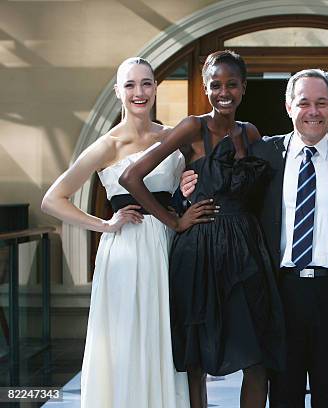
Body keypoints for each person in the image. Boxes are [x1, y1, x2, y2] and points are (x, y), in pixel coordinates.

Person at [181, 68, 328, 407]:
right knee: (283, 395)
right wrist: (189, 190)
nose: (312, 111)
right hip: (277, 293)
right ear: (288, 107)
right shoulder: (264, 153)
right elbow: (227, 188)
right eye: (303, 103)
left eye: (321, 103)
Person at [120, 50, 285, 408]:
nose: (223, 92)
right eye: (215, 85)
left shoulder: (251, 132)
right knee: (196, 361)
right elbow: (131, 177)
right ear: (206, 88)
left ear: (243, 88)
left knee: (256, 359)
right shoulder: (191, 127)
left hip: (245, 250)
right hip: (199, 250)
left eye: (232, 84)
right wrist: (175, 219)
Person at [41, 57, 195, 407]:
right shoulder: (107, 145)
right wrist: (105, 225)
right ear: (118, 92)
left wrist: (188, 188)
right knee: (126, 338)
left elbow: (186, 194)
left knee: (165, 337)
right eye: (130, 85)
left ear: (156, 88)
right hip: (126, 251)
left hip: (169, 247)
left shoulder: (173, 138)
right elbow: (52, 200)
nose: (139, 92)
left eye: (146, 83)